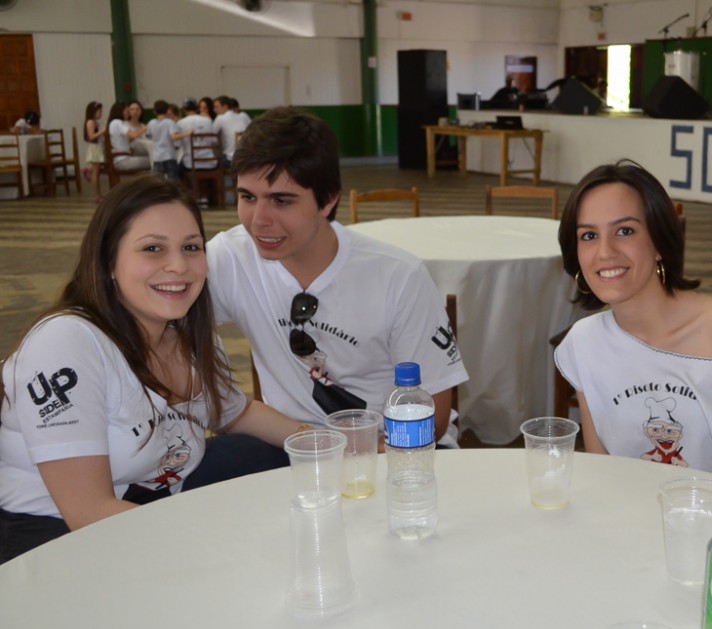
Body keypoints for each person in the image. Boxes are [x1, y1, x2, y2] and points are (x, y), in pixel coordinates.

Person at [0, 175, 304, 564]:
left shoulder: (186, 329)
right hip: (52, 534)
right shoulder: (66, 342)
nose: (178, 266)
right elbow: (88, 511)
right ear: (109, 262)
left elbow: (236, 412)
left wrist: (330, 444)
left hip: (153, 495)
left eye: (191, 247)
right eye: (152, 248)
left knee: (272, 456)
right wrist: (220, 547)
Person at [205, 107, 467, 454]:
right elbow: (152, 325)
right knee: (202, 472)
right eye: (247, 197)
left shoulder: (398, 275)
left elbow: (433, 417)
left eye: (281, 200)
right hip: (290, 443)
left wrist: (358, 453)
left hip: (394, 447)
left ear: (328, 200)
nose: (258, 220)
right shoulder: (230, 256)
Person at [553, 160, 712, 478]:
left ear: (659, 241)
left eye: (625, 231)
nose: (604, 252)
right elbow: (603, 468)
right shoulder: (585, 342)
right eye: (588, 235)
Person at [107, 101, 149, 172]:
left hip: (122, 159)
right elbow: (133, 135)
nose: (128, 114)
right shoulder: (118, 123)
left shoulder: (114, 123)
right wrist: (146, 127)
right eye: (127, 111)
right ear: (120, 111)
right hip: (122, 160)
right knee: (154, 160)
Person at [146, 99, 180, 181]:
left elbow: (148, 135)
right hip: (169, 155)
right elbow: (174, 137)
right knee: (172, 181)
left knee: (158, 181)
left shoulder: (151, 123)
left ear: (154, 111)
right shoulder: (170, 122)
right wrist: (186, 134)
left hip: (157, 157)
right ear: (167, 110)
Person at [212, 95, 248, 167]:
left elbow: (211, 138)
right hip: (247, 158)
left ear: (225, 107)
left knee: (213, 162)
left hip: (230, 159)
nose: (214, 110)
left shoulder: (220, 118)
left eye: (216, 107)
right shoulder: (243, 116)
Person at [82, 101, 106, 203]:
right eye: (99, 111)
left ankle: (88, 170)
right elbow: (91, 136)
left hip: (98, 146)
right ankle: (97, 196)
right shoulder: (90, 122)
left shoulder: (96, 122)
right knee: (96, 172)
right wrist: (103, 131)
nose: (100, 113)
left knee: (96, 170)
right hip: (95, 148)